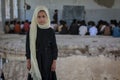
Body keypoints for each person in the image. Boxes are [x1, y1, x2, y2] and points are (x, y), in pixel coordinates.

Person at [26, 6, 58, 80]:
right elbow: (28, 46)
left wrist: (54, 62)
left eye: (43, 16)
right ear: (35, 17)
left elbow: (54, 48)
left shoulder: (50, 31)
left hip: (48, 60)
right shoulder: (32, 30)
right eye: (39, 17)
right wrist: (28, 60)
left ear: (47, 17)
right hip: (35, 60)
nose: (41, 19)